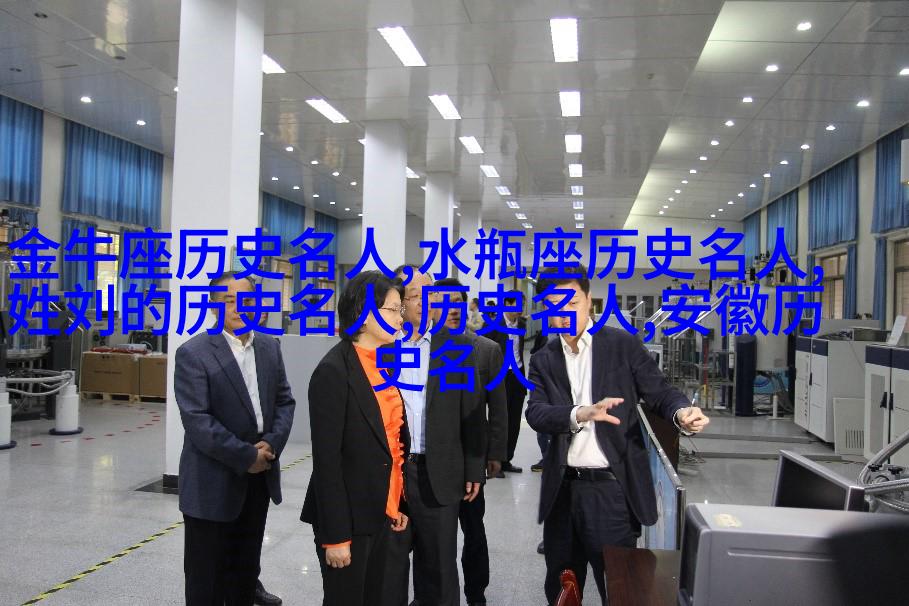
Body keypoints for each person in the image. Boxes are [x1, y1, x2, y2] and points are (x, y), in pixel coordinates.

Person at [525, 265, 709, 605]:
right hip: (562, 491)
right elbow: (535, 413)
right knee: (562, 587)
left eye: (572, 303)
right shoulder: (543, 359)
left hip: (611, 491)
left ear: (588, 300)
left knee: (619, 587)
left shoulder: (622, 345)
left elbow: (659, 392)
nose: (565, 313)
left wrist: (682, 412)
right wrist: (580, 413)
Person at [174, 272, 296, 606]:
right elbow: (198, 422)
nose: (239, 307)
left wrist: (271, 444)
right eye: (229, 300)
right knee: (207, 581)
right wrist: (247, 456)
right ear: (213, 306)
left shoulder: (269, 347)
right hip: (212, 483)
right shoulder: (194, 353)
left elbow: (284, 402)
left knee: (244, 572)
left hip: (258, 481)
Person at [301, 271, 411, 605]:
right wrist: (336, 536)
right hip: (348, 519)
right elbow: (327, 462)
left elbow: (390, 441)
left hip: (381, 510)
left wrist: (397, 503)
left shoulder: (382, 363)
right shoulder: (333, 371)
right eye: (393, 309)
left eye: (400, 309)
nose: (401, 317)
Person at [383, 266, 486, 606]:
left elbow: (472, 413)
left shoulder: (456, 347)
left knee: (439, 569)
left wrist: (474, 468)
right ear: (398, 301)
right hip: (392, 473)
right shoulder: (382, 346)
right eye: (417, 295)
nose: (427, 302)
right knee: (390, 567)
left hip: (438, 470)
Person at [435, 278, 507, 606]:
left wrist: (495, 454)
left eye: (458, 302)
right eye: (444, 302)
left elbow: (499, 408)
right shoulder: (424, 349)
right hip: (434, 459)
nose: (452, 309)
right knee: (435, 533)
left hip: (470, 458)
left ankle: (476, 593)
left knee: (473, 530)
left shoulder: (487, 350)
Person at [484, 297, 528, 474]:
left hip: (517, 375)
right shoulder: (494, 324)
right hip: (500, 376)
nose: (521, 308)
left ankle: (507, 459)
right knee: (499, 419)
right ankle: (496, 460)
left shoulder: (522, 324)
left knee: (514, 421)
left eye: (522, 304)